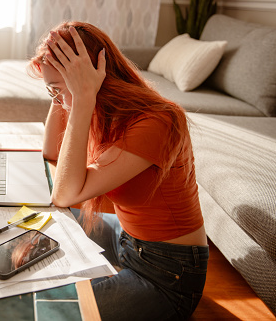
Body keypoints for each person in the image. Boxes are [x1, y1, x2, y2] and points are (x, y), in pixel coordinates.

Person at [28, 21, 209, 321]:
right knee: (34, 221)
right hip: (126, 239)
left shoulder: (158, 122)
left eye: (60, 90)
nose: (60, 101)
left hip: (170, 274)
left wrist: (81, 97)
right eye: (51, 92)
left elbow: (65, 194)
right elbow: (52, 154)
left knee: (58, 312)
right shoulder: (101, 109)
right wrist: (63, 93)